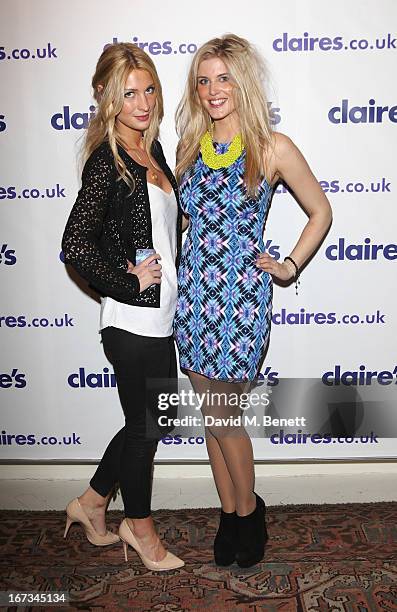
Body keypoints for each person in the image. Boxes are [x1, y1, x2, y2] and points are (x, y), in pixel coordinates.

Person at [173, 34, 332, 568]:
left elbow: (320, 213)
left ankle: (249, 514)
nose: (213, 89)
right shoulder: (188, 147)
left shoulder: (271, 147)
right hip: (196, 298)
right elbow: (189, 225)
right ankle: (229, 512)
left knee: (224, 416)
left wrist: (288, 266)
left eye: (223, 78)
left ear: (242, 82)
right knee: (210, 417)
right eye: (203, 79)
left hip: (240, 301)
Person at [62, 42, 184, 571]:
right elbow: (76, 245)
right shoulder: (106, 162)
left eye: (149, 89)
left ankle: (91, 503)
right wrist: (128, 283)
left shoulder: (151, 152)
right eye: (128, 93)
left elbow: (158, 229)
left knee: (149, 418)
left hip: (159, 318)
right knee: (146, 426)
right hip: (131, 321)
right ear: (105, 98)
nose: (142, 103)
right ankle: (140, 527)